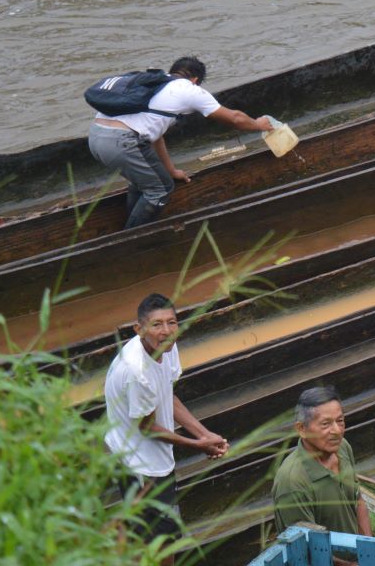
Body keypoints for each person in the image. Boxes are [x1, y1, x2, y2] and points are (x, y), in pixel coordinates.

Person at [103, 293, 229, 564]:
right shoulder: (137, 371)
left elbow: (167, 394)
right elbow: (147, 427)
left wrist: (204, 433)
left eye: (172, 322)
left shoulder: (166, 347)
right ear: (139, 329)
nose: (167, 331)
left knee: (157, 531)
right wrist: (198, 445)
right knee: (159, 539)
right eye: (157, 324)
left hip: (151, 455)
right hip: (138, 462)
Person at [87, 56, 274, 228]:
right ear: (195, 79)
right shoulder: (188, 89)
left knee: (145, 183)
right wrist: (259, 124)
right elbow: (235, 118)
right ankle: (130, 239)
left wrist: (171, 171)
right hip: (122, 142)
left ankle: (132, 224)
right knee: (160, 190)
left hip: (96, 138)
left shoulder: (154, 84)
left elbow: (156, 138)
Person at [272, 386, 372, 547]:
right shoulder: (292, 482)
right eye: (326, 424)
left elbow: (358, 501)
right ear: (302, 429)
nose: (337, 431)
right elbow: (310, 547)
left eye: (340, 421)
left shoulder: (343, 447)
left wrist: (369, 548)